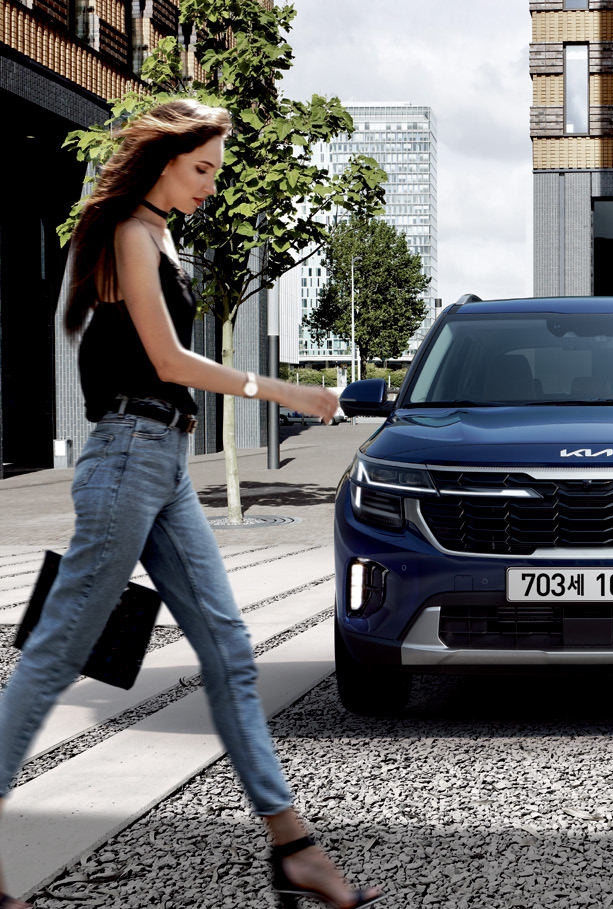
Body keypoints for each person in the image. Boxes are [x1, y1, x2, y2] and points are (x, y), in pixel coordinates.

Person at [0, 101, 381, 909]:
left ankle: (294, 847)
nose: (211, 184)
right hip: (126, 458)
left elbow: (155, 365)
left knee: (230, 649)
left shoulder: (159, 236)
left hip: (161, 462)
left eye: (216, 171)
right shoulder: (127, 234)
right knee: (57, 652)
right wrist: (286, 391)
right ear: (162, 161)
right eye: (201, 168)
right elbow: (168, 360)